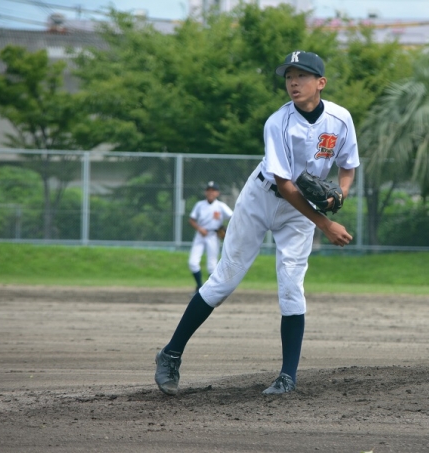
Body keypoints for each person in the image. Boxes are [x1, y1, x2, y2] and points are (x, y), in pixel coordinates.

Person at [154, 50, 359, 396]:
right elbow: (285, 185)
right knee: (224, 281)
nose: (293, 82)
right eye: (289, 76)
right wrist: (324, 223)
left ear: (321, 82)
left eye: (302, 76)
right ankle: (170, 354)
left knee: (291, 287)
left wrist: (340, 193)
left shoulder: (340, 119)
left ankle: (287, 377)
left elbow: (348, 165)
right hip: (261, 198)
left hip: (300, 211)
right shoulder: (278, 122)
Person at [187, 181, 233, 292]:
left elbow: (233, 217)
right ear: (205, 192)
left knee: (212, 265)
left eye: (213, 190)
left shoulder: (221, 206)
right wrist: (199, 228)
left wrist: (227, 230)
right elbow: (191, 220)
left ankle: (209, 290)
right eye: (208, 190)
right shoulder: (200, 205)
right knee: (193, 262)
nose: (210, 192)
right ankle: (199, 287)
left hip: (213, 235)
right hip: (200, 235)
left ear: (217, 193)